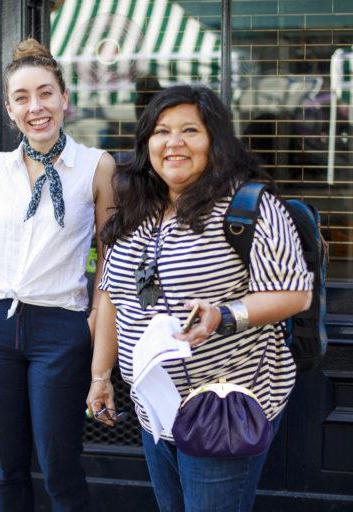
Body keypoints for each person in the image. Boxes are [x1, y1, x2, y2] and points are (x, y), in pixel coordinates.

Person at [85, 85, 313, 512]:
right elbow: (112, 296)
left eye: (189, 130)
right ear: (146, 143)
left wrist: (224, 315)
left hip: (223, 408)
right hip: (155, 410)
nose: (174, 142)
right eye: (161, 131)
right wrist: (101, 376)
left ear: (215, 140)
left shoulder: (250, 208)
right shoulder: (136, 208)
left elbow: (295, 294)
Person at [0, 37, 116, 512]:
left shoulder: (96, 166)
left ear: (65, 98)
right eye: (22, 98)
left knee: (60, 468)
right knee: (6, 469)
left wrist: (91, 323)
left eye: (45, 93)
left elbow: (111, 258)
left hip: (59, 329)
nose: (35, 107)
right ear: (9, 110)